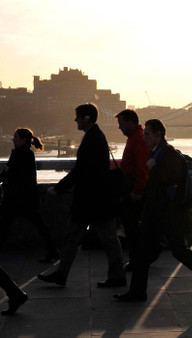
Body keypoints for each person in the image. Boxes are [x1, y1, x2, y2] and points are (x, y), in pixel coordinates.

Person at [114, 119, 192, 302]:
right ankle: (137, 291)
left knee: (175, 251)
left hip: (167, 215)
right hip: (158, 214)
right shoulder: (157, 152)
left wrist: (155, 169)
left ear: (159, 134)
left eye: (147, 134)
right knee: (146, 253)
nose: (144, 137)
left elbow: (172, 178)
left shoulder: (168, 154)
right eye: (144, 134)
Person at [38, 103, 126, 288]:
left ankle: (116, 275)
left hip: (93, 200)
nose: (75, 120)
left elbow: (81, 170)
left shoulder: (93, 139)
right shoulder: (95, 136)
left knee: (105, 238)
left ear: (87, 118)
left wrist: (59, 188)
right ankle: (63, 274)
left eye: (77, 116)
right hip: (94, 199)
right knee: (85, 237)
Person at [0, 128, 58, 263]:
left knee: (4, 225)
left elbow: (11, 172)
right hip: (26, 198)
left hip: (17, 198)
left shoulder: (21, 154)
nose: (13, 139)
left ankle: (52, 250)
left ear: (23, 140)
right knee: (38, 225)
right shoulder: (25, 153)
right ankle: (52, 250)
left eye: (16, 137)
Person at [114, 109, 149, 271]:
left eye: (121, 124)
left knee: (132, 228)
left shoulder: (138, 139)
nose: (119, 127)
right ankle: (142, 256)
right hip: (131, 187)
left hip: (134, 190)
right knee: (133, 228)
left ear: (130, 121)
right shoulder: (135, 137)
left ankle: (137, 261)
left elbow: (143, 169)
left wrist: (136, 191)